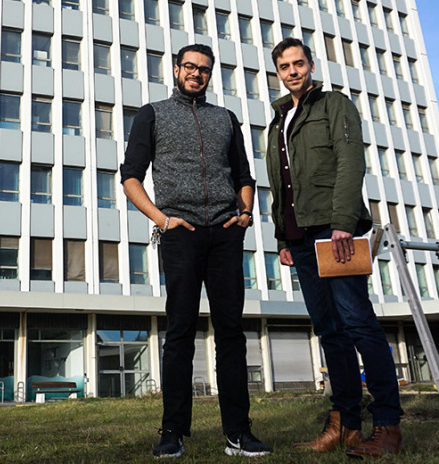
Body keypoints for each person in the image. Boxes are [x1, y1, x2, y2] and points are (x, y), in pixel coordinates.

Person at [121, 43, 270, 459]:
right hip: (180, 232)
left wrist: (243, 213)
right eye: (190, 67)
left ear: (209, 75)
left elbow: (244, 174)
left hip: (225, 233)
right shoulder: (152, 114)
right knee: (181, 332)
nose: (196, 74)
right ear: (176, 69)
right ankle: (172, 431)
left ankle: (238, 432)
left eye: (204, 69)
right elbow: (130, 176)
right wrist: (162, 220)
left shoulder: (225, 119)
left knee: (231, 334)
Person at [267, 37, 403, 458]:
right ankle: (344, 423)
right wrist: (283, 237)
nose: (292, 71)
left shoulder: (334, 105)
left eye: (298, 63)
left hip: (334, 230)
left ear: (310, 65)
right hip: (301, 236)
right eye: (284, 66)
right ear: (277, 73)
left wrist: (344, 224)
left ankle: (387, 426)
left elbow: (351, 161)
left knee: (357, 322)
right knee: (329, 330)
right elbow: (281, 184)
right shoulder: (279, 119)